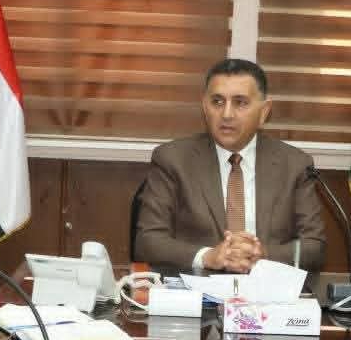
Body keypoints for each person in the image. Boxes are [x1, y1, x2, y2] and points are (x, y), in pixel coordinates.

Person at [135, 58, 327, 274]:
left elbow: (314, 247)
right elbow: (147, 241)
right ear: (204, 107)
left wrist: (263, 255)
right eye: (217, 102)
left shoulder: (295, 165)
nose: (226, 114)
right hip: (198, 289)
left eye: (240, 103)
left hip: (268, 289)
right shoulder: (173, 159)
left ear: (264, 112)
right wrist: (207, 256)